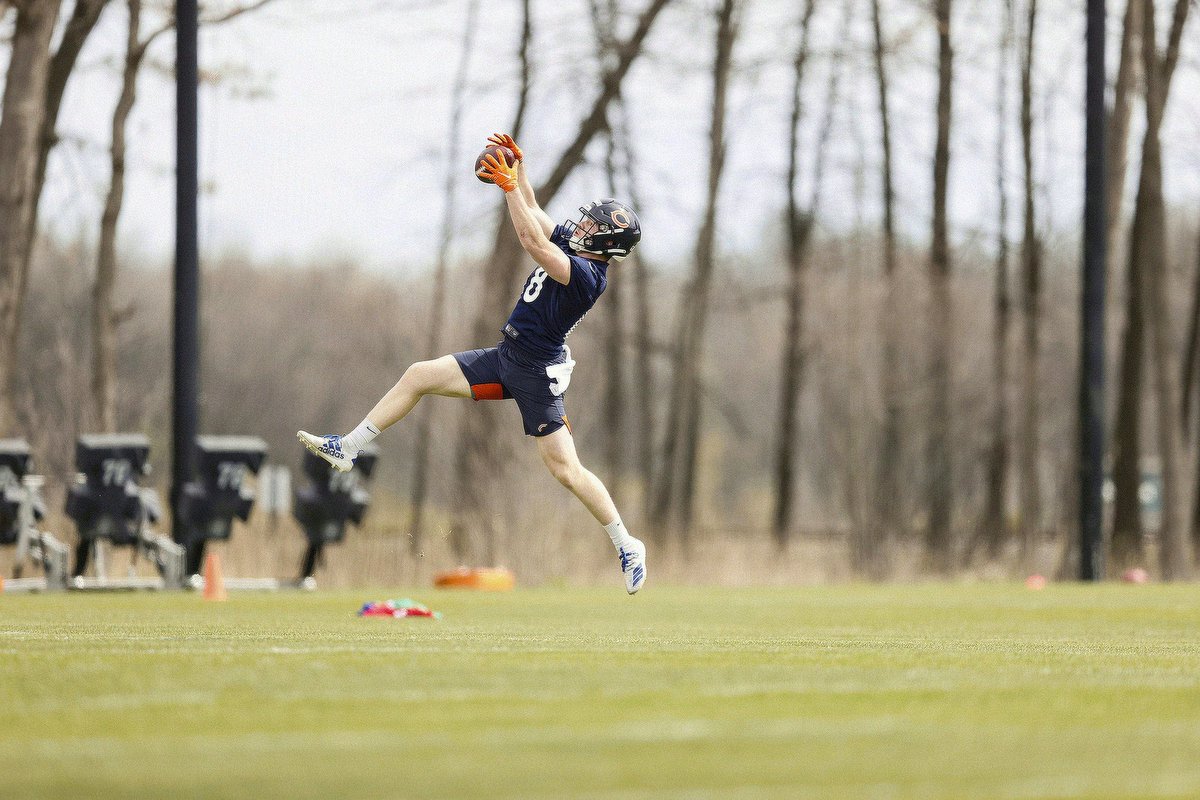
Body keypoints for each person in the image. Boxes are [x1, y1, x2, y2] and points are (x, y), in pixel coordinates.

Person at [298, 133, 646, 594]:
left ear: (606, 245)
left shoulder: (586, 275)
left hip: (536, 374)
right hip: (508, 356)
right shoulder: (577, 248)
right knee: (419, 375)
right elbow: (539, 217)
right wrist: (519, 173)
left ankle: (626, 543)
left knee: (566, 471)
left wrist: (506, 190)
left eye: (590, 226)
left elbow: (528, 237)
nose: (579, 227)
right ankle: (349, 447)